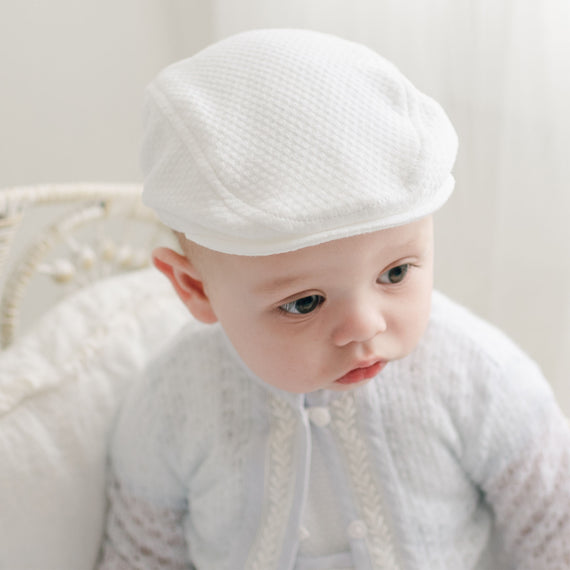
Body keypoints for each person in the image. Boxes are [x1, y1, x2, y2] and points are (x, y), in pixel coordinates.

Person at [99, 29, 570, 569]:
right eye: (304, 303)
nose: (364, 325)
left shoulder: (478, 377)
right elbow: (140, 555)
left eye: (395, 272)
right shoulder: (172, 401)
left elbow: (555, 529)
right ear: (195, 288)